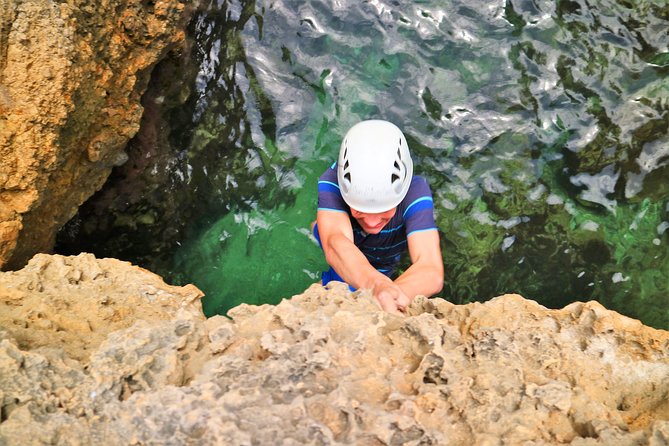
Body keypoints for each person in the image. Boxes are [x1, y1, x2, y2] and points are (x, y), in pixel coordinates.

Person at [313, 119, 443, 314]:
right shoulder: (331, 182)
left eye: (384, 211)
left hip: (380, 259)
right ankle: (318, 227)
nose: (372, 222)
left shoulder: (415, 192)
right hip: (346, 242)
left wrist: (388, 294)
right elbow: (335, 242)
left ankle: (319, 226)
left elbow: (430, 268)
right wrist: (374, 284)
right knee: (331, 262)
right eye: (359, 210)